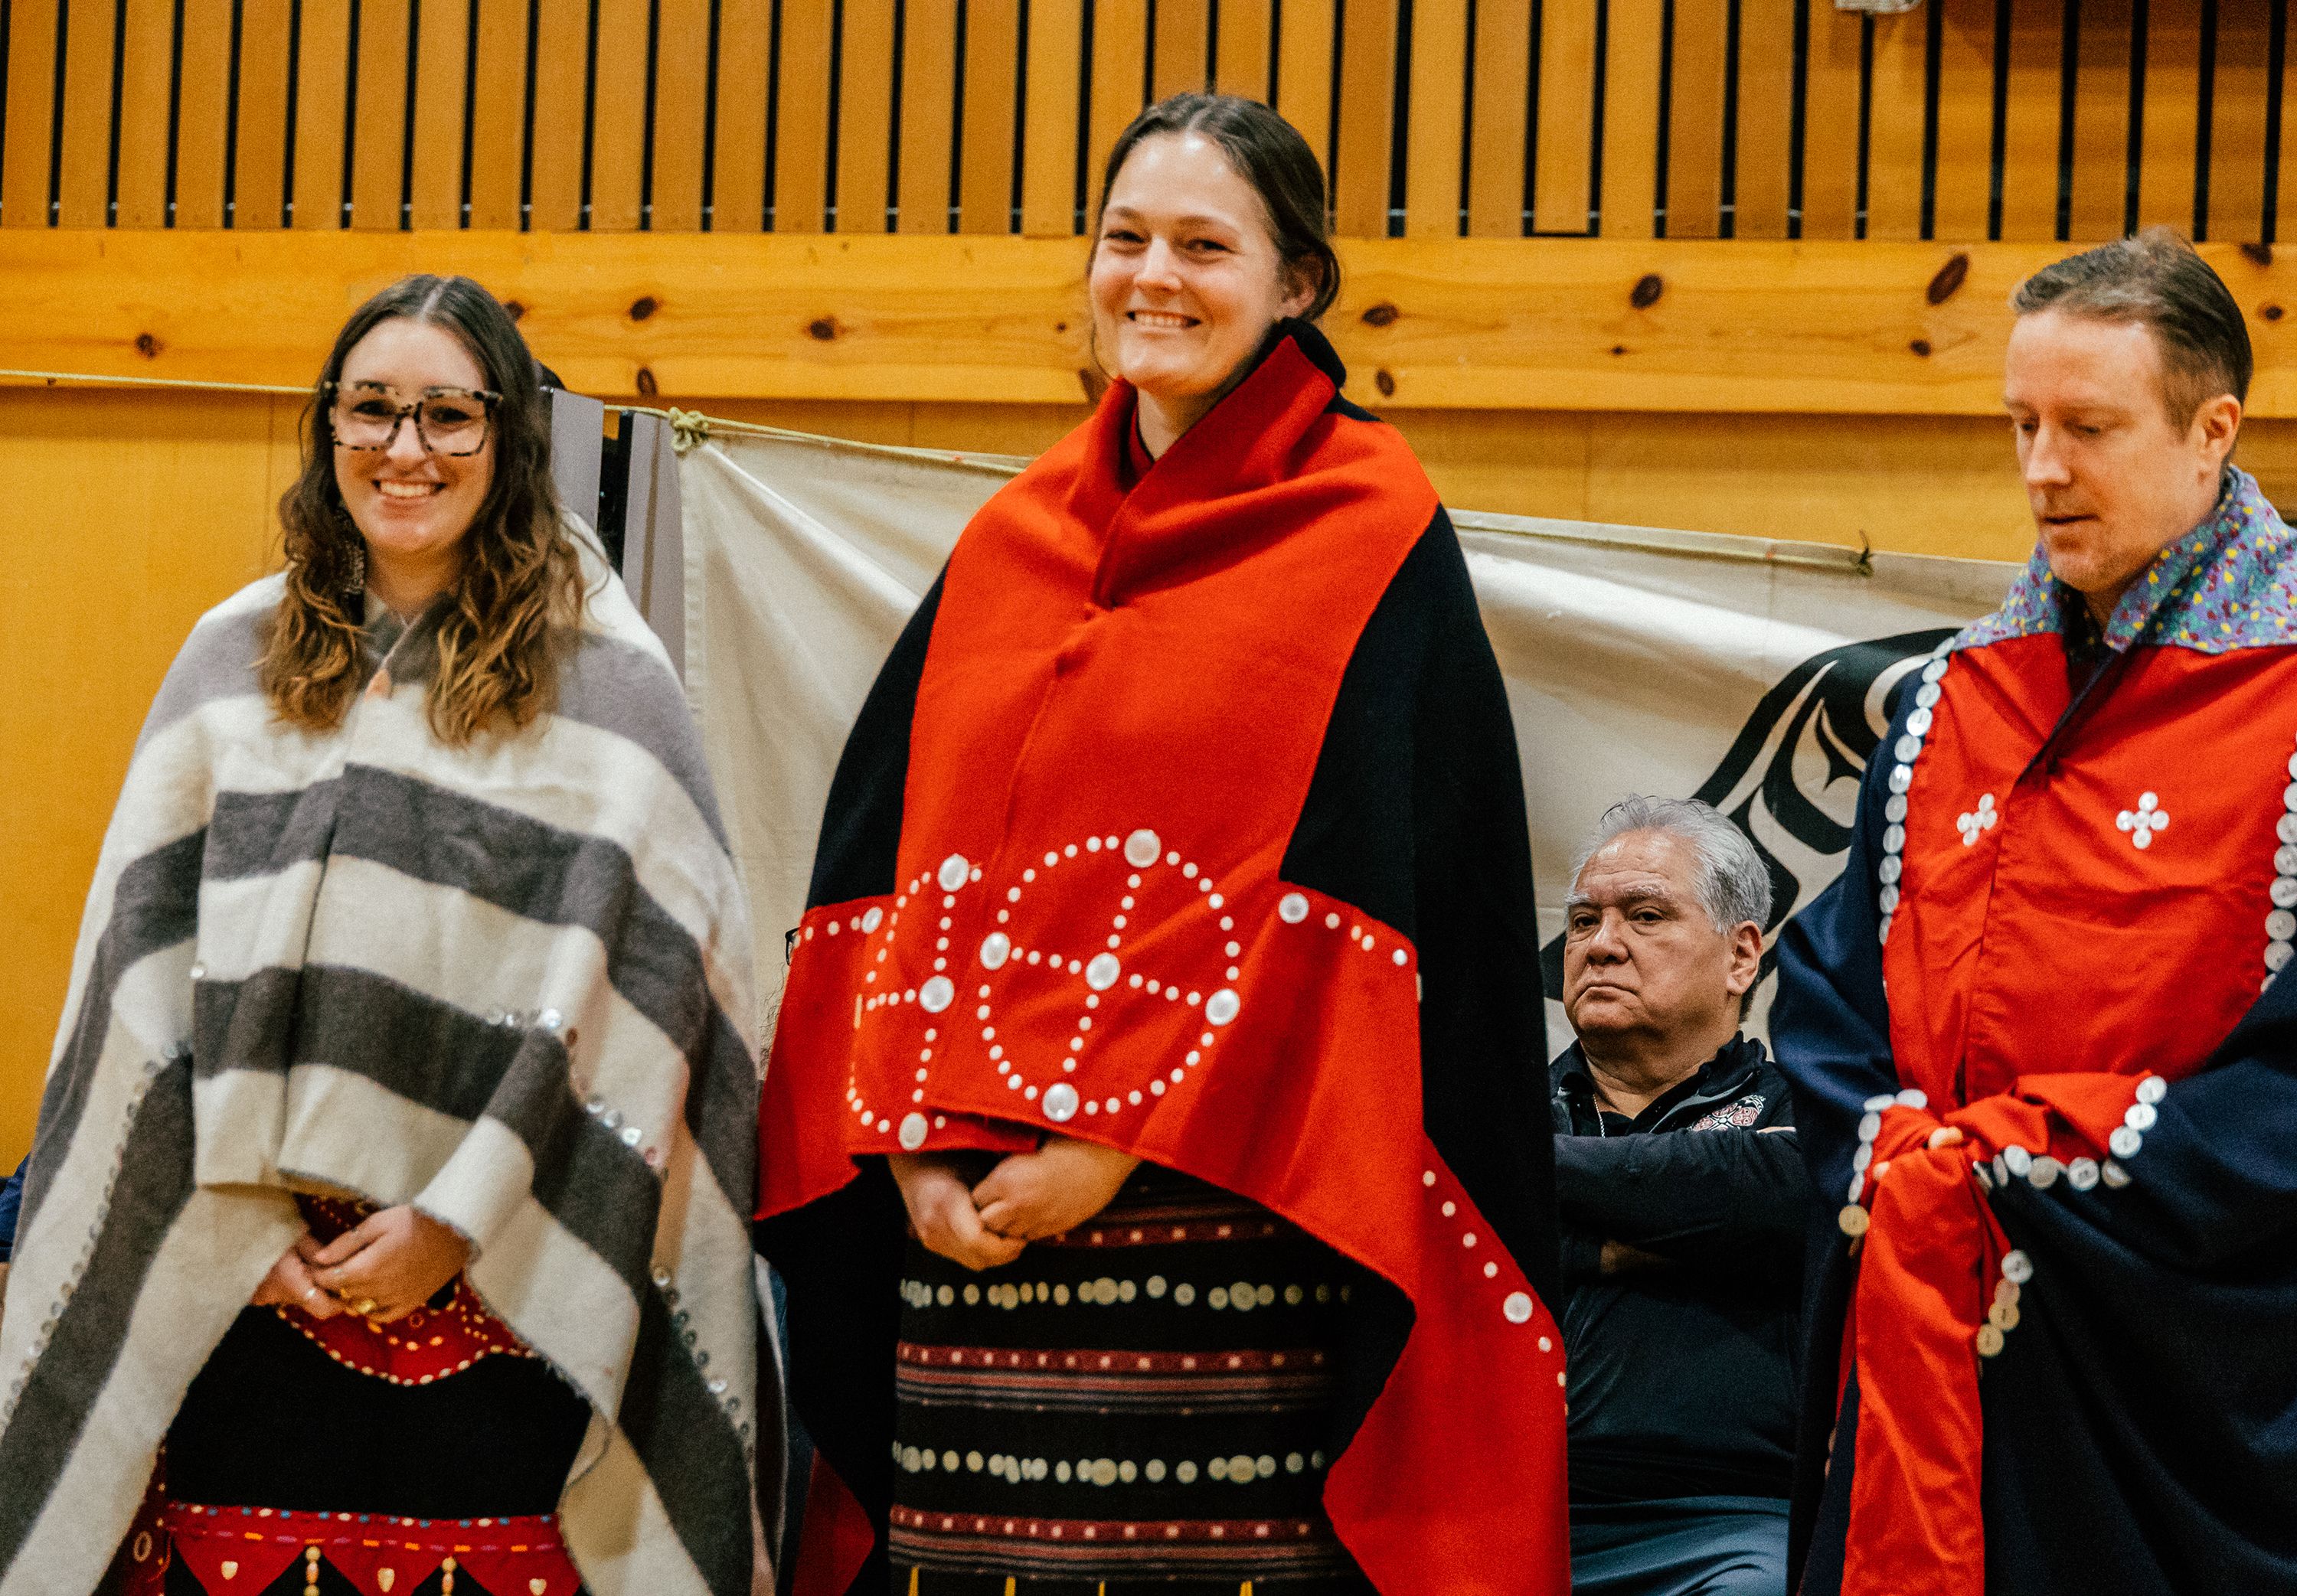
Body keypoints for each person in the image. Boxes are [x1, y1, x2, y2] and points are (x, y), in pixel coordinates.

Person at [756, 93, 1567, 1596]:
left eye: (1206, 245)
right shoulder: (1015, 541)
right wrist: (913, 1141)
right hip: (974, 1278)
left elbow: (1364, 914)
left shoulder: (1371, 532)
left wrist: (1122, 1139)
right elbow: (894, 870)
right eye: (1125, 239)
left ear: (1297, 284)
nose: (1156, 277)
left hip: (1228, 1265)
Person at [0, 275, 773, 1596]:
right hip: (246, 1300)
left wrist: (458, 1220)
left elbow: (646, 1008)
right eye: (369, 411)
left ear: (508, 440)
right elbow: (140, 991)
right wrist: (239, 1240)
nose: (404, 451)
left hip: (514, 1301)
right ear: (327, 431)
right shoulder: (229, 661)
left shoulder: (611, 688)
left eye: (447, 417)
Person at [1773, 228, 2297, 1595]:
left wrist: (2041, 1166)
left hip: (2184, 1374)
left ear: (2211, 430)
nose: (2041, 471)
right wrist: (1903, 1156)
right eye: (2021, 425)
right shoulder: (1953, 697)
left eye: (2088, 427)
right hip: (1924, 1342)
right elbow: (1833, 986)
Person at [1550, 798, 1806, 1595]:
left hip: (1731, 1521)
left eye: (1646, 915)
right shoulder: (1499, 1109)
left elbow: (1786, 1198)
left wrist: (1523, 1181)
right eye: (1585, 920)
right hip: (1501, 1510)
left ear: (1741, 957)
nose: (1603, 946)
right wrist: (1619, 1241)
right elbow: (1429, 1229)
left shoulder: (1803, 1109)